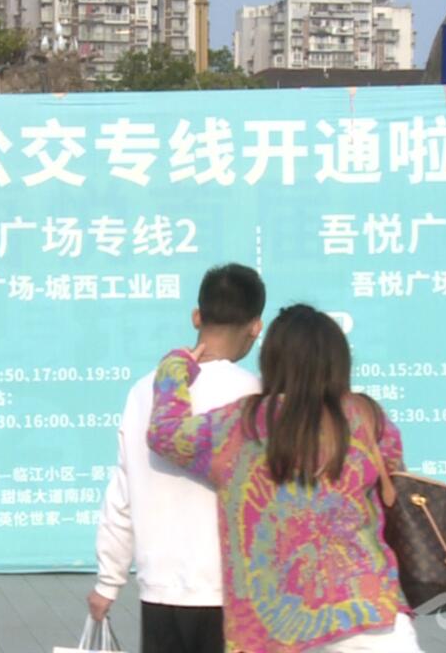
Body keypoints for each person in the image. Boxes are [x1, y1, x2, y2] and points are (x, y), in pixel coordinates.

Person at [147, 304, 423, 653]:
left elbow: (165, 433)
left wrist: (175, 366)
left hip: (277, 630)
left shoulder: (240, 425)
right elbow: (395, 484)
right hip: (371, 616)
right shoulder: (366, 417)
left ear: (272, 360)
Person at [87, 263, 266, 653]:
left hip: (160, 589)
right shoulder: (258, 398)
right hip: (237, 593)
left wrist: (108, 582)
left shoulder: (143, 392)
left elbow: (121, 496)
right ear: (256, 327)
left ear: (197, 316)